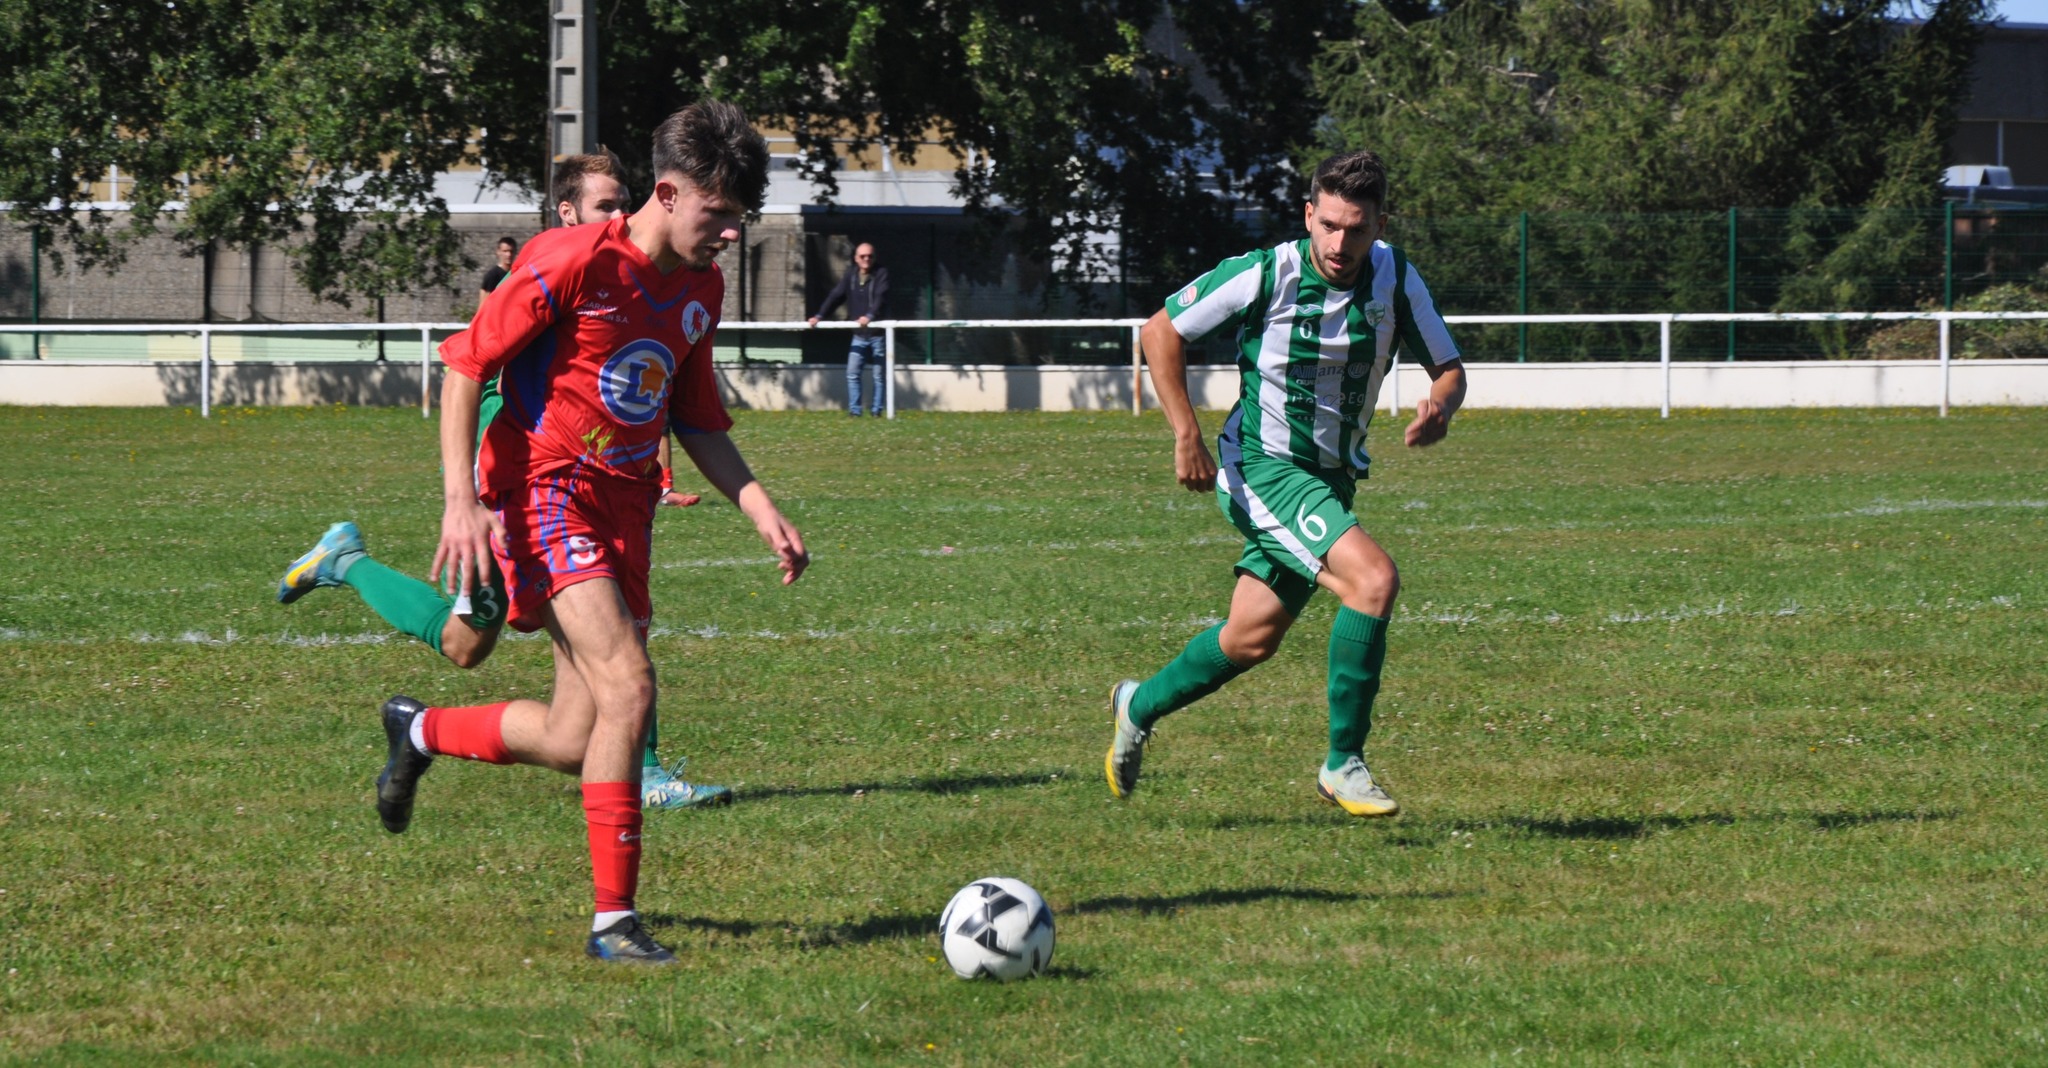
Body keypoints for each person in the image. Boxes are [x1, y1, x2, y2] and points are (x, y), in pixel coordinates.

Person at [374, 101, 806, 965]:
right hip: (543, 492)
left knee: (577, 736)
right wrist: (461, 500)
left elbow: (695, 415)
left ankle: (416, 732)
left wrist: (759, 506)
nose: (728, 235)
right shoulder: (569, 259)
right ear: (669, 191)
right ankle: (615, 922)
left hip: (626, 505)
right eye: (718, 216)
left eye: (739, 219)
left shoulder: (700, 287)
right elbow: (465, 364)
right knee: (631, 687)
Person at [276, 150, 724, 809]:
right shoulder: (554, 271)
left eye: (624, 201)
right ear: (567, 212)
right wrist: (477, 502)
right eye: (606, 205)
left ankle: (360, 595)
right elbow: (477, 372)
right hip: (518, 487)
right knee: (512, 643)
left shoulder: (635, 276)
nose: (621, 215)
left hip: (572, 487)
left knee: (483, 646)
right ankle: (644, 772)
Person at [1105, 149, 1467, 819]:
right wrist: (1185, 432)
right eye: (1328, 224)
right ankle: (1343, 762)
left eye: (1356, 229)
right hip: (1263, 469)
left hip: (1331, 481)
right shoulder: (1268, 272)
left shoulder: (1395, 278)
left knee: (1249, 639)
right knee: (1373, 580)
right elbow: (1160, 332)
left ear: (1379, 226)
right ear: (1308, 215)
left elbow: (1449, 368)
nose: (1339, 243)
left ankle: (1137, 705)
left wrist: (1441, 406)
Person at [806, 241, 890, 416]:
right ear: (856, 258)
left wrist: (870, 317)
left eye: (870, 256)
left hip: (878, 334)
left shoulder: (881, 273)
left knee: (879, 376)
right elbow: (836, 296)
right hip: (858, 335)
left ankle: (876, 411)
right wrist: (819, 316)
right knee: (852, 373)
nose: (866, 259)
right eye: (862, 256)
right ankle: (855, 411)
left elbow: (880, 298)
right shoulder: (850, 275)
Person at [478, 237, 517, 303]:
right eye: (505, 251)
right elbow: (484, 302)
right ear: (498, 252)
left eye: (511, 251)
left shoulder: (516, 274)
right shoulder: (492, 275)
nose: (509, 254)